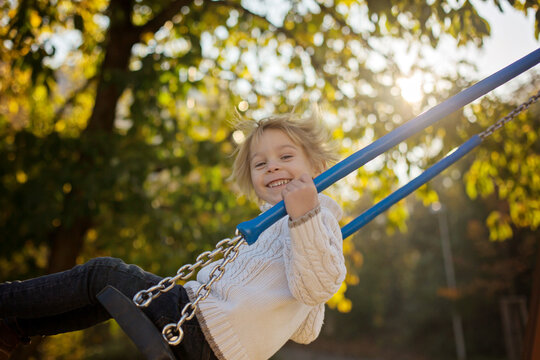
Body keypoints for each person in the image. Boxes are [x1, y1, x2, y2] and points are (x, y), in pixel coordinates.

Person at [0, 113, 346, 360]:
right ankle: (14, 328)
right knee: (109, 295)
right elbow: (305, 328)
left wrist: (307, 218)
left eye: (286, 156)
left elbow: (314, 288)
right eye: (260, 163)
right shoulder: (280, 223)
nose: (272, 166)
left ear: (317, 168)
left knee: (104, 273)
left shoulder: (319, 215)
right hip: (202, 330)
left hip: (202, 329)